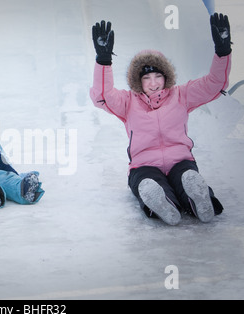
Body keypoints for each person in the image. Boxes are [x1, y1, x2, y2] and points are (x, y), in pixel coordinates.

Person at [89, 13, 232, 225]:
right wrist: (103, 61)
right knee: (146, 182)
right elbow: (102, 95)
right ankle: (164, 204)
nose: (153, 82)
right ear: (138, 81)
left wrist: (223, 52)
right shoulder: (128, 102)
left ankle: (199, 199)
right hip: (144, 163)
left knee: (186, 178)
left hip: (180, 160)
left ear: (166, 77)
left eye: (158, 76)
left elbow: (214, 83)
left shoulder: (181, 95)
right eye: (146, 78)